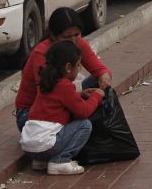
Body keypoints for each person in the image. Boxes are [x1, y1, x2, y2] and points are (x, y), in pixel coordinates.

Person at [16, 8, 112, 132]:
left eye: (77, 35)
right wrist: (92, 99)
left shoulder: (78, 43)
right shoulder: (41, 55)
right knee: (84, 124)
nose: (73, 40)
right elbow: (49, 96)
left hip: (63, 97)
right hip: (34, 117)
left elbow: (100, 69)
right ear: (53, 36)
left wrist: (104, 75)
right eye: (67, 37)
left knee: (97, 80)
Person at [20, 40, 104, 175]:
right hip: (46, 145)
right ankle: (60, 161)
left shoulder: (47, 82)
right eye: (78, 65)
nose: (79, 69)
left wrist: (80, 94)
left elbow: (57, 100)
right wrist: (97, 96)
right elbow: (84, 111)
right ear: (68, 67)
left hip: (30, 147)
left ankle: (41, 161)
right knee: (84, 125)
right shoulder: (65, 85)